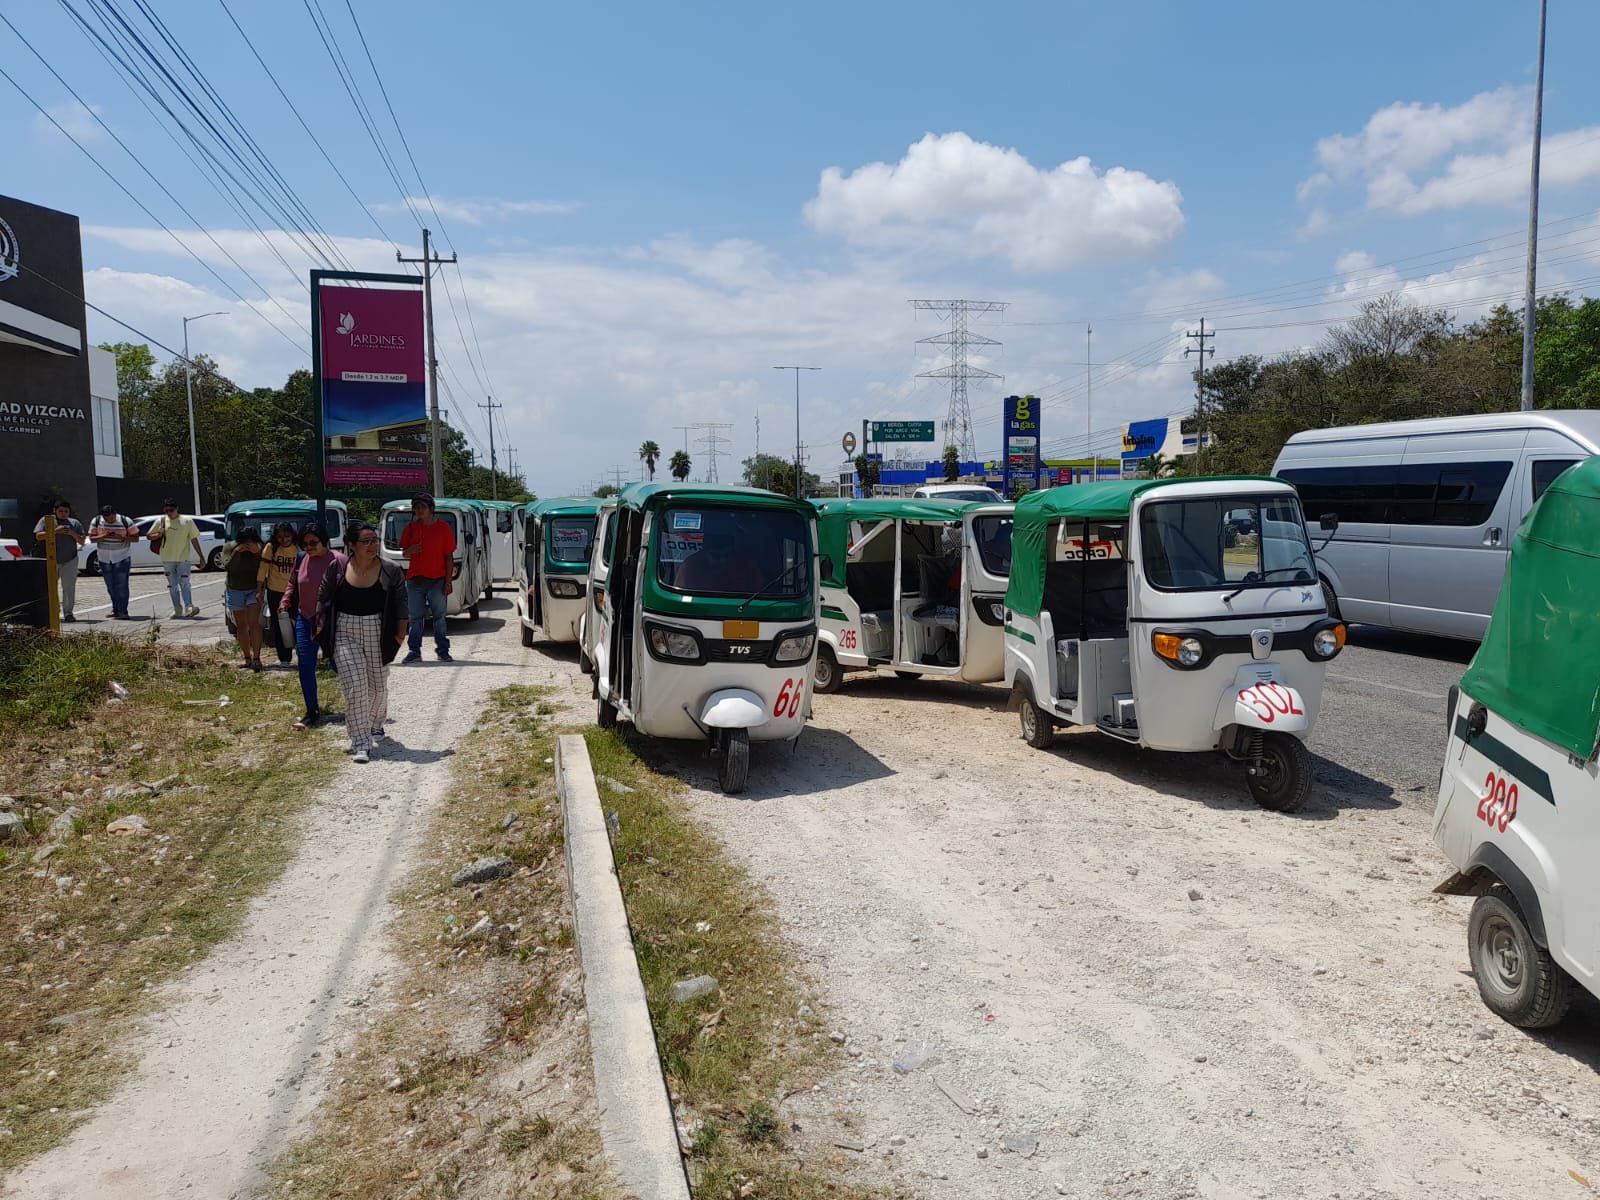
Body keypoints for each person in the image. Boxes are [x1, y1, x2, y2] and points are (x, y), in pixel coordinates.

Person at [316, 522, 406, 762]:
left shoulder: (391, 570)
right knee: (356, 685)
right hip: (344, 630)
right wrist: (320, 623)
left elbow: (401, 604)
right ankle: (361, 742)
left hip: (378, 629)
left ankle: (375, 722)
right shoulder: (337, 567)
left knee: (377, 687)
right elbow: (323, 597)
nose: (372, 545)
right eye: (365, 541)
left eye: (375, 540)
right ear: (351, 545)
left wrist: (400, 633)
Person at [281, 522, 344, 730]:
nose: (309, 547)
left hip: (332, 621)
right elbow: (292, 583)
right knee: (305, 665)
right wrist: (286, 600)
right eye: (305, 544)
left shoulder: (339, 560)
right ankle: (312, 711)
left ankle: (359, 704)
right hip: (305, 618)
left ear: (324, 540)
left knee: (339, 664)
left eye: (313, 543)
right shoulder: (301, 560)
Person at [398, 493, 455, 663]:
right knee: (415, 618)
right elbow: (404, 552)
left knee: (439, 617)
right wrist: (411, 550)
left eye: (422, 507)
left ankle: (443, 650)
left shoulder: (443, 528)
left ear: (431, 509)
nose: (419, 510)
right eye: (416, 507)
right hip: (415, 580)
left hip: (437, 579)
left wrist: (448, 581)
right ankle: (414, 651)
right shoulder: (411, 528)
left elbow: (449, 556)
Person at [33, 500, 87, 622]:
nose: (63, 514)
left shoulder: (74, 523)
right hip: (51, 559)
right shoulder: (46, 520)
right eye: (61, 511)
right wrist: (55, 531)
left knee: (69, 587)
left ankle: (68, 613)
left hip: (70, 559)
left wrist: (71, 533)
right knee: (50, 587)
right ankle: (53, 612)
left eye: (66, 511)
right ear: (55, 510)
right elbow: (38, 536)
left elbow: (82, 541)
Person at [152, 498, 205, 618]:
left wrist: (201, 557)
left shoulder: (187, 521)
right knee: (172, 585)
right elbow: (149, 536)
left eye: (171, 510)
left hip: (183, 559)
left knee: (185, 583)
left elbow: (194, 539)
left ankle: (189, 606)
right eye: (166, 511)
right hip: (167, 558)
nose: (169, 513)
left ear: (177, 509)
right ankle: (177, 607)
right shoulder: (161, 521)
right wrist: (159, 533)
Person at [224, 526, 266, 670]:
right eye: (244, 542)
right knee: (241, 625)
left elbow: (262, 568)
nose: (247, 545)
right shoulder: (229, 547)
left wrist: (256, 553)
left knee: (254, 623)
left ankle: (257, 658)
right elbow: (229, 567)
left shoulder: (262, 548)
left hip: (254, 589)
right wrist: (237, 552)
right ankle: (247, 657)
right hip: (235, 589)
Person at [88, 504, 140, 619]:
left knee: (121, 585)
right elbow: (92, 539)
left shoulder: (125, 521)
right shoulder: (96, 521)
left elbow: (136, 538)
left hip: (122, 556)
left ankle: (123, 610)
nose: (109, 521)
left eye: (111, 518)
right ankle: (115, 608)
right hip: (104, 557)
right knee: (110, 585)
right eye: (106, 519)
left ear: (115, 514)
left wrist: (121, 537)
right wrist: (103, 536)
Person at [259, 523, 300, 664]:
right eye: (280, 537)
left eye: (287, 536)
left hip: (295, 591)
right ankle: (284, 658)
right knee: (279, 624)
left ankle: (302, 653)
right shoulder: (271, 547)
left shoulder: (298, 547)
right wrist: (259, 589)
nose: (284, 540)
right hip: (275, 590)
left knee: (298, 622)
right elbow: (263, 569)